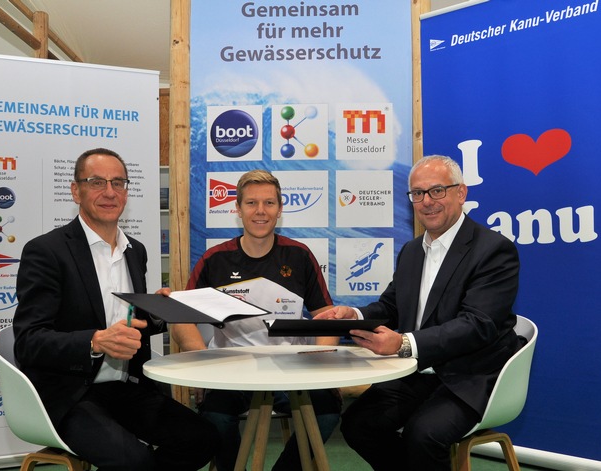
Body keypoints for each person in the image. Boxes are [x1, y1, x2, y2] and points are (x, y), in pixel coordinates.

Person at [13, 148, 219, 470]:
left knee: (203, 438)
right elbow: (28, 341)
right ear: (76, 191)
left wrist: (158, 312)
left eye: (118, 183)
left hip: (127, 388)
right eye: (97, 182)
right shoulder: (46, 251)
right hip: (71, 394)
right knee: (135, 461)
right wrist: (94, 341)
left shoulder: (135, 251)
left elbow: (129, 323)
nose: (110, 192)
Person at [314, 155, 522, 471]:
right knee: (358, 424)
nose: (426, 201)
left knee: (423, 435)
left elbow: (478, 325)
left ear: (461, 193)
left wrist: (403, 344)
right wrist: (353, 315)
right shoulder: (412, 250)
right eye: (417, 193)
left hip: (471, 376)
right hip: (418, 372)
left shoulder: (493, 250)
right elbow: (391, 307)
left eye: (437, 190)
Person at [171, 169, 342, 471]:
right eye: (251, 203)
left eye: (269, 203)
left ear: (280, 209)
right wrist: (202, 364)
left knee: (327, 411)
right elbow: (181, 318)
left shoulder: (299, 255)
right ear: (238, 209)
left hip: (290, 370)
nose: (260, 211)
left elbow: (326, 317)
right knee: (215, 419)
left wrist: (321, 364)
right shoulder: (215, 259)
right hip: (230, 371)